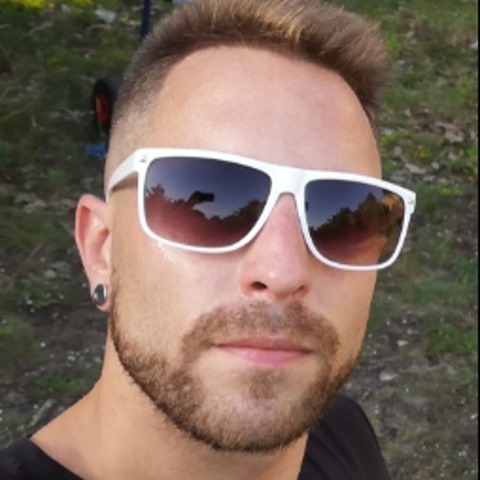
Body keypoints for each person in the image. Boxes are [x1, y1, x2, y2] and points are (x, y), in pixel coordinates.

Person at [0, 0, 416, 478]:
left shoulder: (344, 433)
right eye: (211, 207)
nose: (282, 272)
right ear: (102, 248)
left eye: (342, 217)